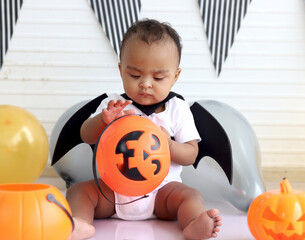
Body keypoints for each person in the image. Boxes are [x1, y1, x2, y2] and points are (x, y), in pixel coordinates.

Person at [66, 19, 222, 240]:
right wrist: (103, 120)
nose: (146, 83)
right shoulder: (113, 104)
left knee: (190, 195)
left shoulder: (177, 109)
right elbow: (86, 135)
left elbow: (191, 154)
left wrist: (169, 145)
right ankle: (80, 223)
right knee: (78, 191)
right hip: (113, 191)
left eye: (158, 77)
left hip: (162, 192)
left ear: (175, 77)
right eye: (135, 75)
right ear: (121, 70)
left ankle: (194, 222)